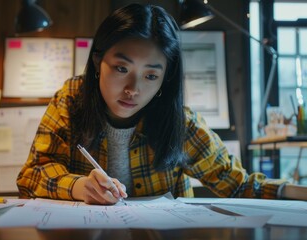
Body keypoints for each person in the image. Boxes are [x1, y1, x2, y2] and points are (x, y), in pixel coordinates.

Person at [16, 3, 307, 205]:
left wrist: (294, 191)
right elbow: (31, 175)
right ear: (97, 60)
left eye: (151, 75)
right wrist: (80, 187)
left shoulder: (180, 121)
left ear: (165, 78)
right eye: (121, 68)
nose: (133, 89)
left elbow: (238, 184)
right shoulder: (71, 100)